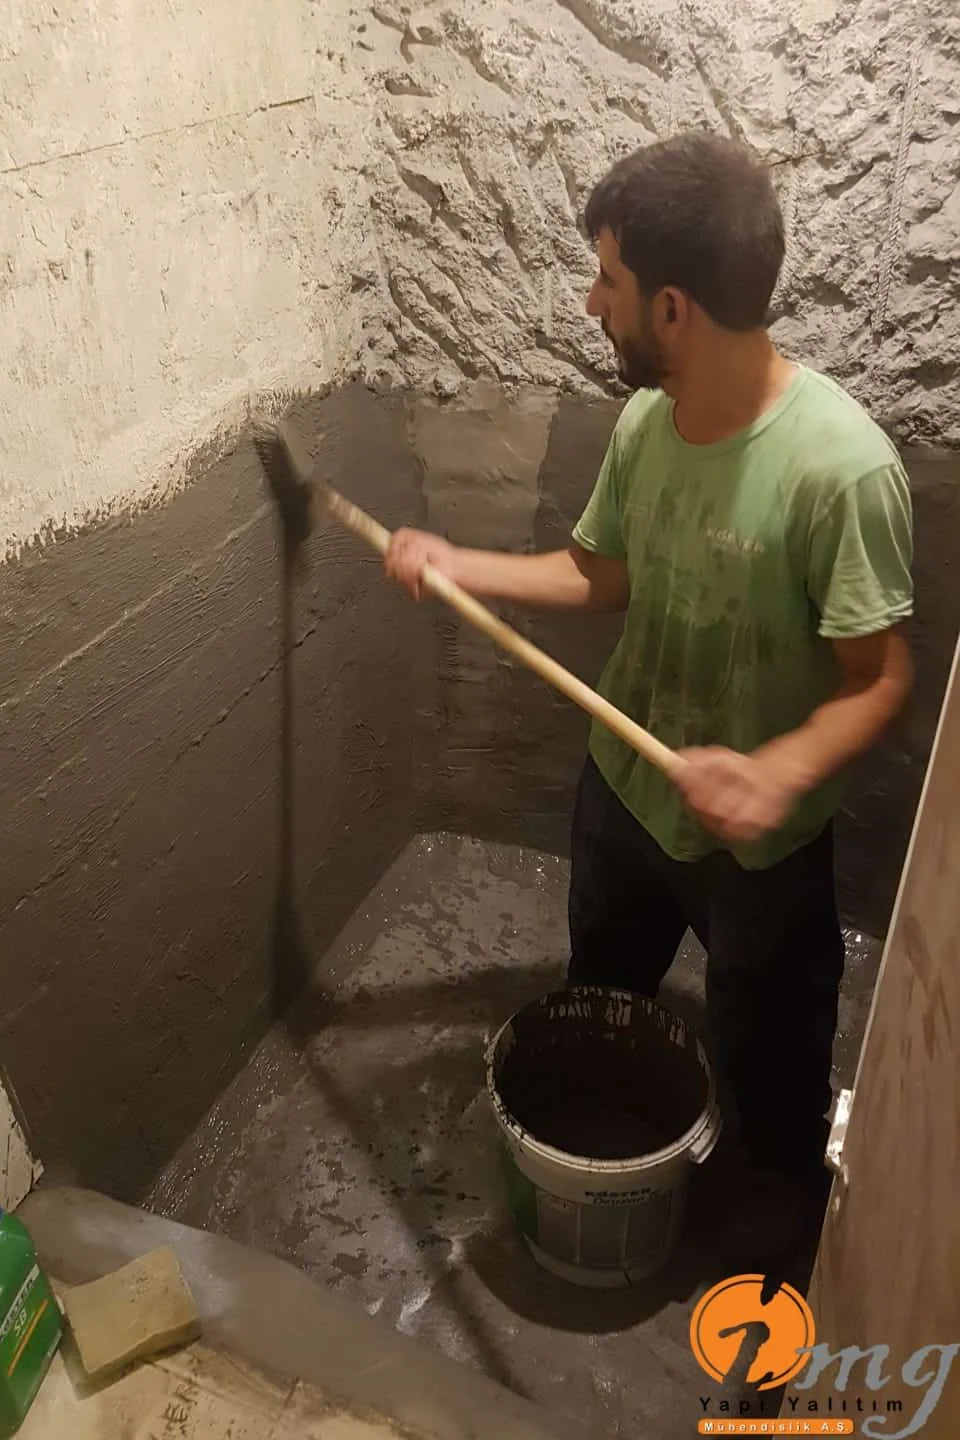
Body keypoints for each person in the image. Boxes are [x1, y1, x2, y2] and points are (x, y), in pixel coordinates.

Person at [382, 130, 914, 1266]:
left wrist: (775, 774)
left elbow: (883, 680)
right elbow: (600, 576)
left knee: (770, 1068)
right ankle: (612, 1158)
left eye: (608, 280)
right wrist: (456, 563)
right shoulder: (643, 422)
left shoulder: (843, 470)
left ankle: (772, 1249)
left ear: (672, 308)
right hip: (624, 797)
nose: (592, 303)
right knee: (603, 999)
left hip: (763, 851)